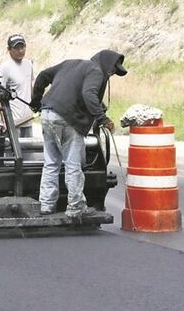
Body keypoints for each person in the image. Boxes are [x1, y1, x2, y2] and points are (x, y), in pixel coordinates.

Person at [30, 49, 127, 216]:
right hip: (67, 118)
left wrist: (36, 101)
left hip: (47, 114)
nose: (110, 75)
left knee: (51, 163)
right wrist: (103, 119)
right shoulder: (96, 70)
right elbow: (88, 94)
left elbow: (42, 76)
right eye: (111, 71)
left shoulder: (70, 64)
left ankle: (46, 205)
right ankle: (75, 207)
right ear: (105, 63)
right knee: (73, 165)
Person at [0, 33, 34, 138]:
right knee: (14, 153)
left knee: (30, 153)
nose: (20, 51)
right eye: (16, 48)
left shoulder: (29, 64)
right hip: (13, 122)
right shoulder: (5, 67)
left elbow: (29, 88)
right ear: (9, 49)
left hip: (28, 120)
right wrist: (4, 121)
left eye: (22, 47)